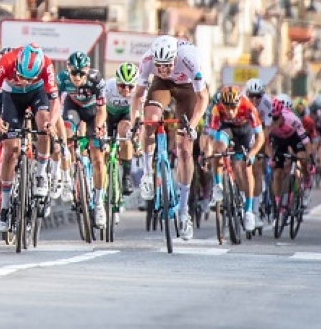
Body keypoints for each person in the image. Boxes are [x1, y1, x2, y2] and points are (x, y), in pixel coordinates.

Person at [133, 35, 208, 240]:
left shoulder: (190, 58)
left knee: (185, 149)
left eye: (168, 65)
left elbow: (203, 97)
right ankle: (148, 173)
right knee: (150, 121)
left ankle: (184, 212)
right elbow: (137, 95)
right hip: (163, 87)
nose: (164, 69)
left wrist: (192, 126)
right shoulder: (148, 60)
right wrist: (135, 121)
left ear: (175, 58)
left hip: (188, 90)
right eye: (160, 66)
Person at [0, 45, 59, 233]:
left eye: (29, 78)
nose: (24, 81)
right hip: (11, 96)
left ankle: (40, 175)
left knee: (44, 125)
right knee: (10, 151)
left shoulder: (47, 65)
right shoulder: (6, 62)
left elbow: (55, 101)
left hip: (37, 94)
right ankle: (5, 208)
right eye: (21, 76)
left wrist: (52, 123)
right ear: (16, 65)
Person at [205, 83, 264, 233]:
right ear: (222, 104)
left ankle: (249, 210)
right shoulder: (216, 109)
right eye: (227, 107)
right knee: (218, 150)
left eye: (233, 107)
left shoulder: (249, 107)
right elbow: (210, 138)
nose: (230, 112)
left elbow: (260, 138)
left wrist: (251, 155)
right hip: (226, 130)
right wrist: (208, 153)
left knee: (245, 167)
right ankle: (218, 186)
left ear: (239, 103)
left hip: (245, 132)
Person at [56, 50, 106, 226]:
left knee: (98, 158)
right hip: (73, 109)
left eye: (81, 73)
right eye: (73, 73)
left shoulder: (96, 79)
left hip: (93, 114)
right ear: (68, 70)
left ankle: (99, 203)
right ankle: (67, 180)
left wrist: (98, 128)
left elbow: (102, 111)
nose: (76, 77)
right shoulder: (62, 79)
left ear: (87, 71)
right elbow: (56, 108)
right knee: (66, 138)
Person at [102, 62, 141, 212]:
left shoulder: (140, 91)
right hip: (107, 116)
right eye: (122, 86)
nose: (126, 90)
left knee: (125, 133)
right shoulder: (107, 87)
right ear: (116, 82)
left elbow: (138, 117)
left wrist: (136, 137)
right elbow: (97, 111)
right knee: (102, 148)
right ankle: (104, 184)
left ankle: (126, 176)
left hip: (125, 115)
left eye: (130, 87)